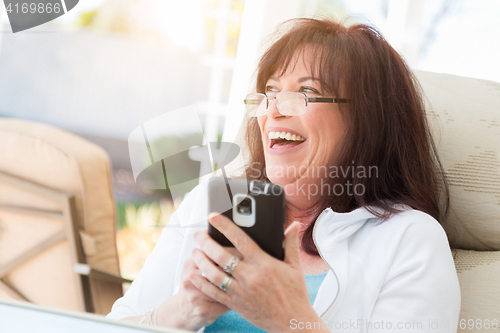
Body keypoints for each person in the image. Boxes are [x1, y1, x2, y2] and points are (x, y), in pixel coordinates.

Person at [107, 18, 461, 332]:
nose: (273, 110)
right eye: (271, 92)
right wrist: (181, 311)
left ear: (367, 121)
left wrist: (289, 321)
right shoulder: (212, 203)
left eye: (307, 92)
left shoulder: (410, 239)